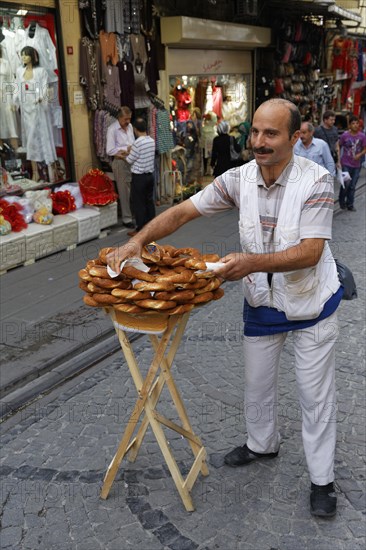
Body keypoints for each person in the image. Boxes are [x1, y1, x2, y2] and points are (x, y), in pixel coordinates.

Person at [107, 98, 343, 518]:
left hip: (311, 304)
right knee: (256, 385)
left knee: (314, 396)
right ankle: (261, 444)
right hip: (261, 301)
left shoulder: (317, 181)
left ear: (293, 137)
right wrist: (137, 242)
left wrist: (248, 262)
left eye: (270, 134)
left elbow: (309, 253)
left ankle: (322, 479)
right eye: (254, 131)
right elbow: (182, 211)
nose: (259, 141)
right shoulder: (239, 178)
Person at [14, 46, 57, 182]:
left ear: (33, 56)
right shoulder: (19, 71)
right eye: (22, 55)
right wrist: (14, 102)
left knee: (42, 138)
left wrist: (41, 97)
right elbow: (17, 87)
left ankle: (50, 170)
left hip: (38, 109)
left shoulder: (41, 71)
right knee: (30, 142)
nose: (23, 58)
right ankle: (35, 172)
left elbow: (45, 87)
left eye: (26, 55)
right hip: (26, 111)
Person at [121, 117, 155, 237]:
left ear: (135, 129)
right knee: (149, 201)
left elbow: (129, 160)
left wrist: (124, 155)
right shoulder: (151, 140)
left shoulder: (137, 143)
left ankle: (140, 229)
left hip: (139, 177)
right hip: (150, 176)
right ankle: (152, 225)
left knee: (138, 203)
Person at [106, 106, 135, 228]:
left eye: (129, 119)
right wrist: (125, 149)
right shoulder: (112, 129)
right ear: (119, 118)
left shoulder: (130, 127)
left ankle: (133, 214)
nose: (128, 122)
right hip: (119, 162)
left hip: (130, 160)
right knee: (124, 191)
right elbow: (110, 150)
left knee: (132, 188)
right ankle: (127, 219)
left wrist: (131, 149)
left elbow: (132, 142)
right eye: (125, 119)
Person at [338, 115, 366, 211]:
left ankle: (350, 204)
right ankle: (341, 201)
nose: (355, 125)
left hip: (357, 165)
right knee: (346, 184)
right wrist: (338, 160)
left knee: (353, 185)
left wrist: (360, 155)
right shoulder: (345, 135)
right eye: (353, 123)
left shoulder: (362, 136)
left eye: (357, 123)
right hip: (345, 163)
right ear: (349, 125)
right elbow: (339, 145)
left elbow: (365, 148)